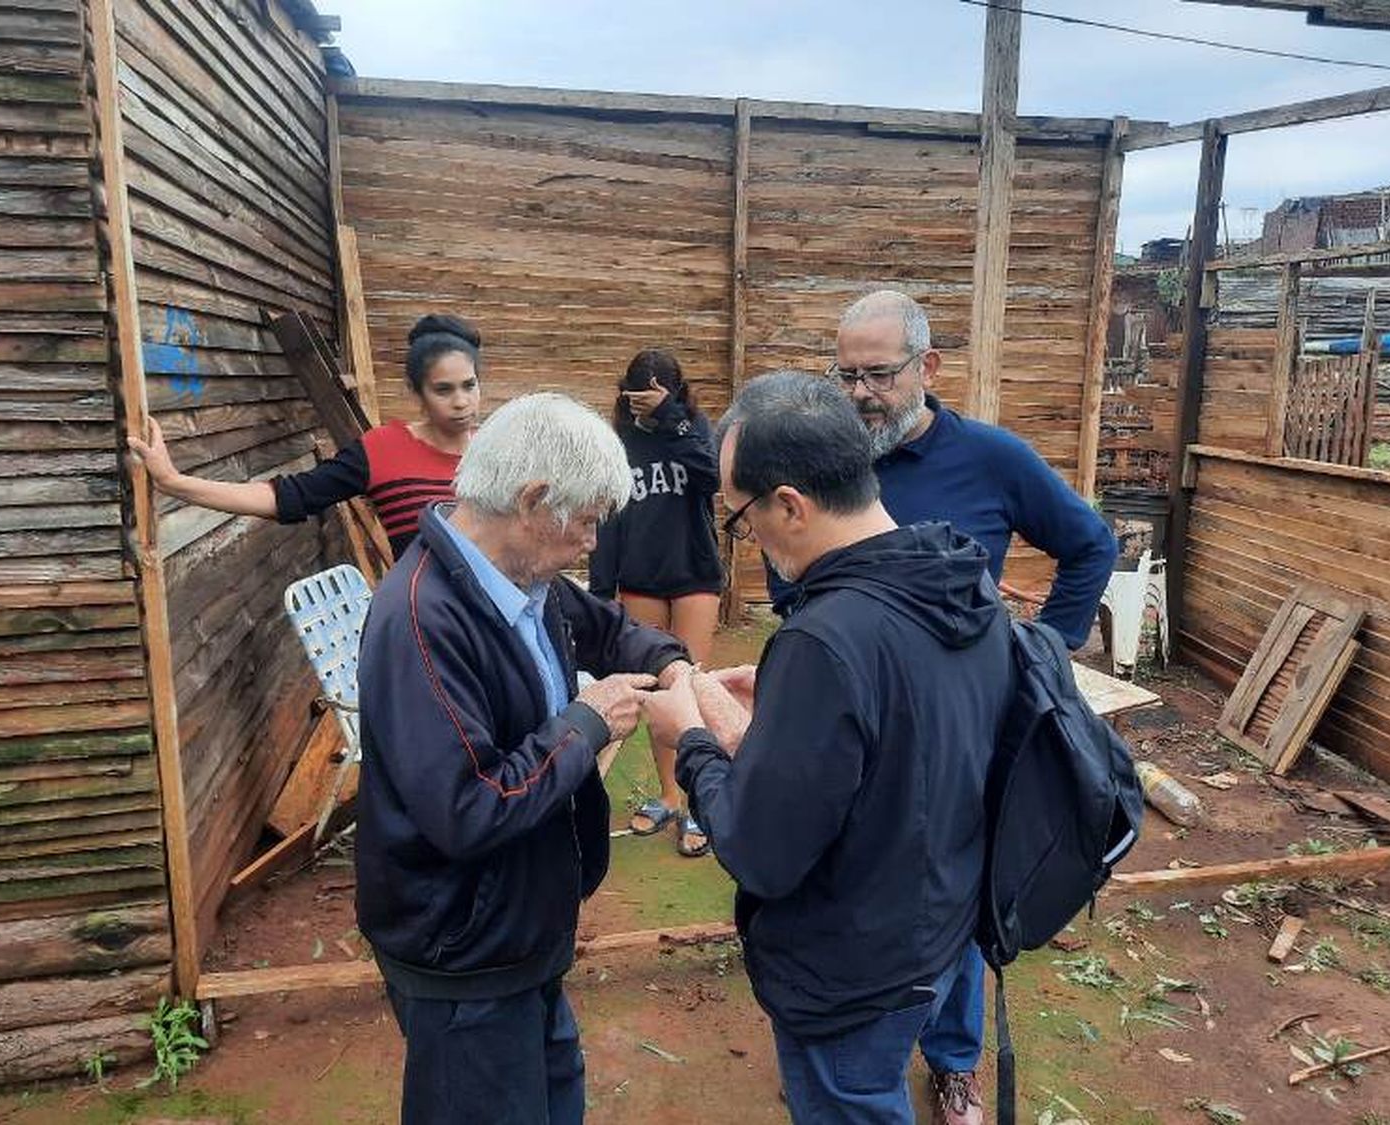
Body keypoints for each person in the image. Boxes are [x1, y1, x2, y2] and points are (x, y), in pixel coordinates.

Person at [643, 372, 1014, 1125]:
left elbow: (760, 850)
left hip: (855, 969)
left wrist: (692, 741)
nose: (745, 539)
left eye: (740, 517)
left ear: (790, 504)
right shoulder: (958, 578)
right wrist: (778, 728)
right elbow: (908, 753)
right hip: (944, 925)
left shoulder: (827, 638)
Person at [356, 392, 692, 1125]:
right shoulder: (421, 618)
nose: (595, 543)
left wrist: (674, 670)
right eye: (590, 520)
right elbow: (469, 808)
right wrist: (587, 722)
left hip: (523, 926)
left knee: (551, 1093)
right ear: (535, 499)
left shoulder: (521, 580)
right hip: (463, 952)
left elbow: (608, 628)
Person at [826, 288, 1118, 1125]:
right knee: (846, 882)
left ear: (929, 368)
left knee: (953, 894)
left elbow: (1091, 543)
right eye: (844, 374)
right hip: (851, 724)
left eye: (878, 374)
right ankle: (853, 1047)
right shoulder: (833, 460)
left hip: (964, 733)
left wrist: (1046, 652)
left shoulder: (992, 459)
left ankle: (954, 1062)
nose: (859, 394)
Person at [128, 313, 482, 557]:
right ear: (416, 392)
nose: (461, 402)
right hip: (430, 633)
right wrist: (173, 482)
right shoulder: (383, 451)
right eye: (443, 390)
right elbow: (287, 497)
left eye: (469, 385)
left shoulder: (500, 451)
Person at [588, 349, 722, 858]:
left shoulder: (693, 430)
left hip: (695, 576)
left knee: (694, 685)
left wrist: (671, 420)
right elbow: (608, 519)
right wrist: (601, 591)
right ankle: (669, 794)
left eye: (659, 394)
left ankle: (698, 803)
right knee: (655, 694)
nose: (647, 403)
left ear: (675, 391)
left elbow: (711, 479)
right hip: (640, 579)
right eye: (639, 395)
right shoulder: (618, 444)